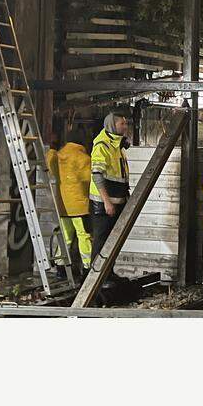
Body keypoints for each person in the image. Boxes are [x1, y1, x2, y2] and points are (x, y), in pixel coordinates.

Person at [47, 129, 93, 279]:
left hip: (63, 206)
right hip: (79, 207)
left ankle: (61, 268)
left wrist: (52, 148)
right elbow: (89, 180)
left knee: (66, 237)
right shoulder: (84, 158)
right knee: (83, 236)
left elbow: (50, 164)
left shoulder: (58, 155)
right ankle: (87, 267)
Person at [88, 110, 131, 270]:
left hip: (116, 201)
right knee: (101, 242)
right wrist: (107, 202)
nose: (125, 127)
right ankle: (95, 276)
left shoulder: (117, 145)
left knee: (112, 242)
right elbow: (97, 175)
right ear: (112, 125)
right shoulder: (102, 145)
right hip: (103, 205)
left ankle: (107, 273)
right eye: (122, 123)